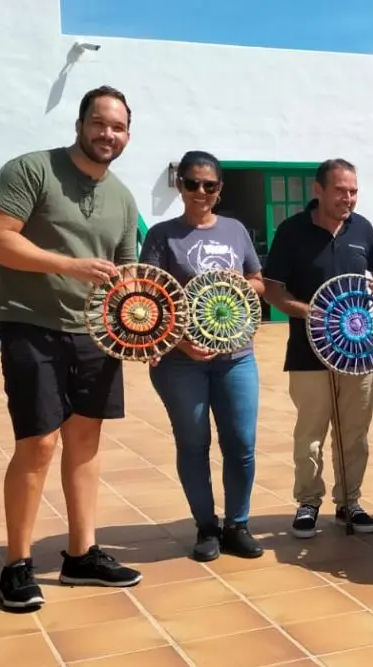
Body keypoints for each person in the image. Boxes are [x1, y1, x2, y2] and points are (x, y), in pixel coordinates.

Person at [0, 86, 144, 610]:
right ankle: (17, 565)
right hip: (32, 323)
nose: (107, 135)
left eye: (118, 128)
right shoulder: (31, 171)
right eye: (100, 124)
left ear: (127, 135)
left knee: (85, 441)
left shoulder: (122, 197)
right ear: (80, 124)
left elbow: (127, 276)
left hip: (95, 334)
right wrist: (68, 264)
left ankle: (81, 555)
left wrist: (146, 331)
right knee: (39, 442)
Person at [139, 150, 265, 562]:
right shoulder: (161, 236)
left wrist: (243, 284)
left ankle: (238, 524)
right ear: (180, 185)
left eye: (209, 185)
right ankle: (206, 527)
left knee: (241, 443)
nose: (200, 191)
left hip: (236, 355)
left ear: (219, 189)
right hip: (181, 360)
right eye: (192, 183)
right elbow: (148, 300)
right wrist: (180, 343)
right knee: (194, 443)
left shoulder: (235, 229)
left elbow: (259, 283)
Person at [263, 158, 373, 538]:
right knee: (311, 433)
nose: (348, 198)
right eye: (340, 190)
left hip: (360, 351)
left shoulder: (362, 228)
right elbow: (274, 291)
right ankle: (308, 502)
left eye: (353, 191)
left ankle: (350, 503)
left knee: (354, 433)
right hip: (307, 352)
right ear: (318, 190)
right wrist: (314, 314)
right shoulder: (291, 231)